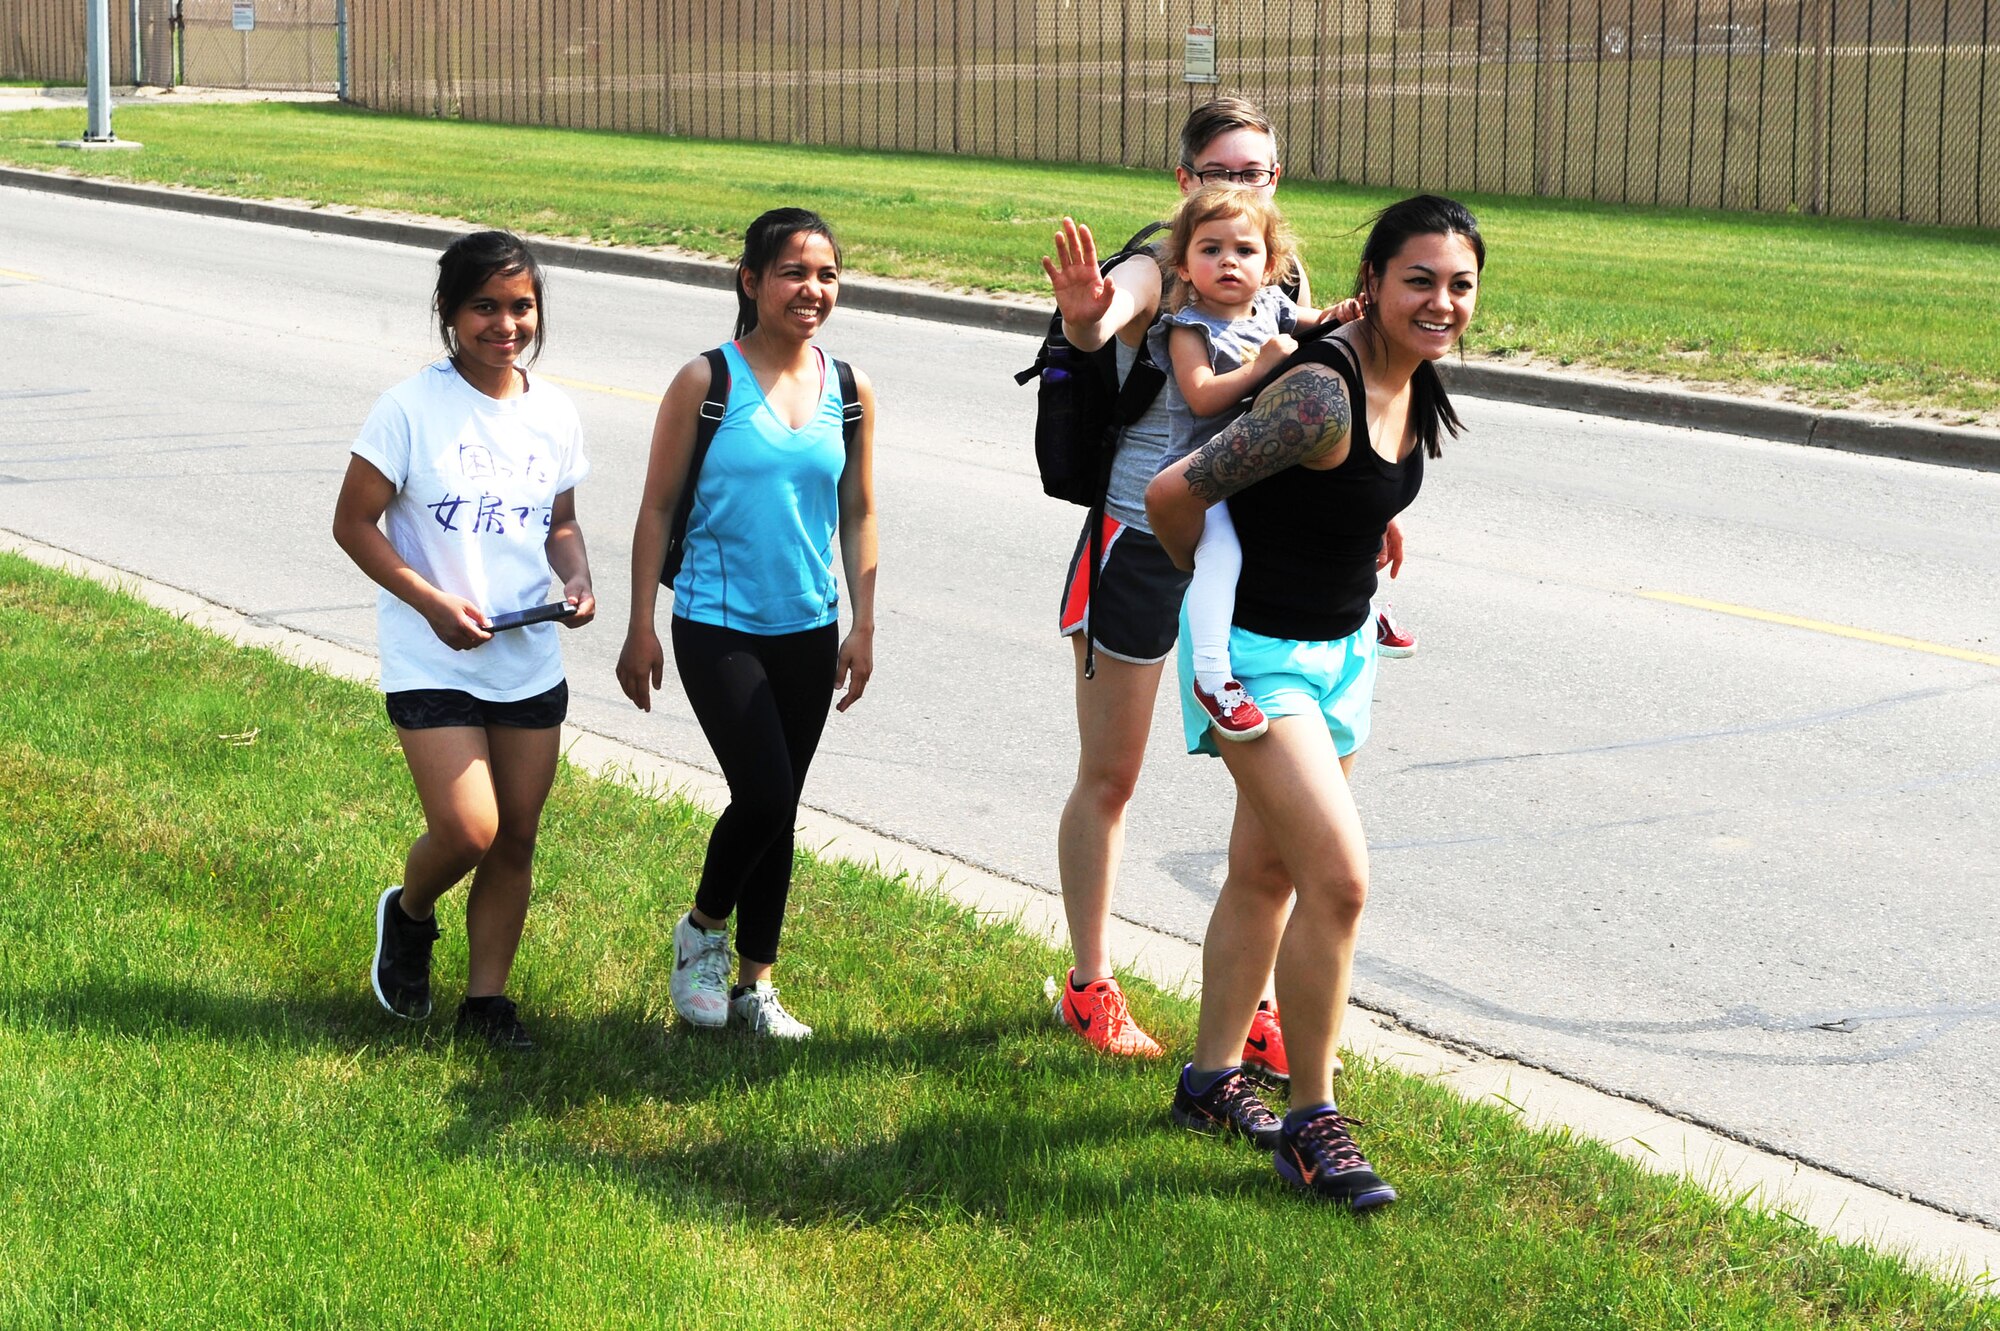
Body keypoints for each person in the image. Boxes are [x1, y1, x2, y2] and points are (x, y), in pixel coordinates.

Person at [1040, 97, 1404, 1071]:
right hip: (1137, 538)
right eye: (1222, 172)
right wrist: (1085, 315)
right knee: (1111, 776)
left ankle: (1252, 1005)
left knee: (1271, 807)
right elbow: (1108, 314)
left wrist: (1369, 507)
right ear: (1184, 180)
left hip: (1250, 546)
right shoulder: (1163, 263)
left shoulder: (1278, 273)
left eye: (1258, 173)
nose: (1241, 188)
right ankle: (1088, 984)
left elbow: (1318, 409)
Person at [1145, 195, 1485, 1207]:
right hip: (1260, 659)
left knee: (1265, 872)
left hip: (1342, 653)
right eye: (1418, 280)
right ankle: (1310, 1119)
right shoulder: (1318, 394)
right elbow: (1172, 495)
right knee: (1337, 881)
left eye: (1459, 284)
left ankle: (1209, 1081)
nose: (1440, 302)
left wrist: (1365, 525)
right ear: (1370, 281)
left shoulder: (1411, 378)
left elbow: (1335, 491)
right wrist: (1213, 600)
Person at [616, 207, 878, 1042]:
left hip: (810, 623)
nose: (813, 290)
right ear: (751, 281)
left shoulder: (849, 389)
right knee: (763, 791)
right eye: (794, 272)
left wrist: (863, 624)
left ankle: (755, 985)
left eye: (827, 275)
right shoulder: (706, 381)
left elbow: (859, 509)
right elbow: (656, 508)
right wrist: (640, 625)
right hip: (715, 622)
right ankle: (701, 932)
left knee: (782, 806)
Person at [333, 230, 596, 1053]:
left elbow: (560, 522)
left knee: (516, 836)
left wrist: (577, 578)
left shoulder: (553, 413)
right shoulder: (409, 409)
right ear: (448, 312)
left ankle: (486, 1004)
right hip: (433, 652)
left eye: (521, 306)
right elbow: (353, 522)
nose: (505, 325)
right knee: (470, 829)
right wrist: (430, 601)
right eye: (485, 306)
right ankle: (410, 913)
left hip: (525, 654)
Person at [1149, 183, 1344, 741]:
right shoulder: (1188, 328)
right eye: (1210, 250)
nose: (1228, 262)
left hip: (1257, 467)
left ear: (1270, 264)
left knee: (1328, 509)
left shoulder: (1272, 306)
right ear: (1183, 266)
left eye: (1244, 250)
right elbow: (1202, 397)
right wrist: (1261, 366)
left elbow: (1316, 321)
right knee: (1223, 555)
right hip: (1200, 475)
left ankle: (1358, 610)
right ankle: (1212, 676)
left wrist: (1343, 315)